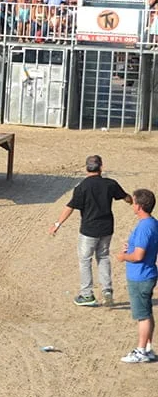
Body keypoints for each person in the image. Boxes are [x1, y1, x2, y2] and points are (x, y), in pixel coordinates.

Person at [49, 155, 132, 307]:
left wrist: (57, 223)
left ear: (86, 168)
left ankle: (87, 295)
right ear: (101, 167)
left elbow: (70, 207)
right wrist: (132, 202)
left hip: (88, 230)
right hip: (107, 229)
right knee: (103, 257)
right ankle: (107, 290)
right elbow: (125, 197)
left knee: (85, 260)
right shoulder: (110, 184)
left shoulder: (81, 187)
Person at [114, 189, 158, 363]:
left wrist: (123, 256)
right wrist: (130, 247)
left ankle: (140, 350)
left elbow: (139, 256)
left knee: (143, 315)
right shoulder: (153, 223)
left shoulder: (143, 227)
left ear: (139, 206)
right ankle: (148, 348)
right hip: (147, 274)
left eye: (133, 202)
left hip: (140, 276)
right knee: (147, 312)